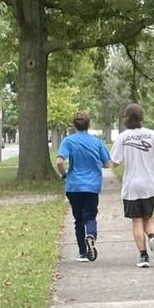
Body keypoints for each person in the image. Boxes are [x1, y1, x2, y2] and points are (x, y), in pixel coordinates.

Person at [111, 103, 154, 268]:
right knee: (148, 217)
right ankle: (151, 237)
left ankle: (143, 256)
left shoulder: (123, 137)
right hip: (150, 184)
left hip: (132, 185)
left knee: (136, 221)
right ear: (141, 118)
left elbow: (115, 162)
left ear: (126, 118)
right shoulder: (152, 134)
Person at [56, 111, 112, 262]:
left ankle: (82, 252)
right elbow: (107, 163)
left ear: (74, 125)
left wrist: (64, 174)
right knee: (91, 216)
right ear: (89, 124)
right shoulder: (97, 142)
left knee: (78, 219)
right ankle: (91, 236)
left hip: (74, 185)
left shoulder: (68, 141)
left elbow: (60, 161)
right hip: (92, 185)